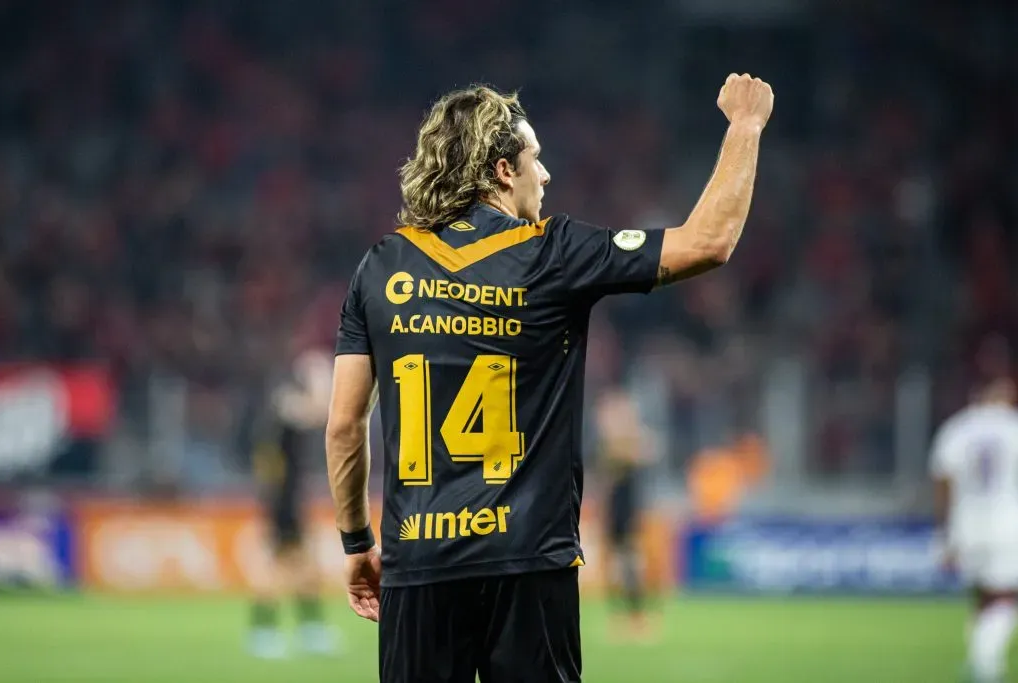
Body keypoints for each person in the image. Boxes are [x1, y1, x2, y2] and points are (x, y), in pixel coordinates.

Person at [325, 74, 774, 682]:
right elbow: (708, 242)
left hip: (419, 562)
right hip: (529, 561)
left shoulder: (381, 267)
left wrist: (357, 544)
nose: (546, 175)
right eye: (535, 159)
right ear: (502, 171)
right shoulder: (554, 251)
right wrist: (745, 126)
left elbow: (344, 427)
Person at [248, 333, 340, 658]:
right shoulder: (287, 402)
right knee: (279, 565)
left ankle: (306, 629)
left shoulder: (285, 399)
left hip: (289, 493)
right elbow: (320, 412)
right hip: (280, 495)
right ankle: (265, 631)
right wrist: (322, 377)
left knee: (302, 564)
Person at [930, 376, 1018, 683]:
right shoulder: (1013, 427)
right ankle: (986, 665)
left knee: (981, 594)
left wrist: (944, 533)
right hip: (1006, 521)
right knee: (1006, 596)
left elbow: (942, 482)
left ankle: (978, 659)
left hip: (965, 521)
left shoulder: (957, 428)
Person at [596, 388, 656, 638]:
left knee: (629, 557)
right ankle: (623, 614)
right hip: (614, 500)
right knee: (615, 559)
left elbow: (645, 452)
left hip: (626, 501)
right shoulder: (616, 442)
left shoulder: (629, 438)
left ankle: (636, 614)